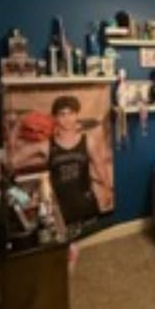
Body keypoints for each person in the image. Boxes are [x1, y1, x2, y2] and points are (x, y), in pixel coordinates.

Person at [48, 95, 112, 225]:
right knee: (67, 242)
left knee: (88, 239)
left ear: (77, 115)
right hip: (61, 204)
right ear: (55, 117)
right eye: (62, 114)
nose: (67, 119)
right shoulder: (47, 144)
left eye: (71, 113)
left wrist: (107, 190)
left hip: (85, 201)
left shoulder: (87, 140)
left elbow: (99, 165)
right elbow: (16, 159)